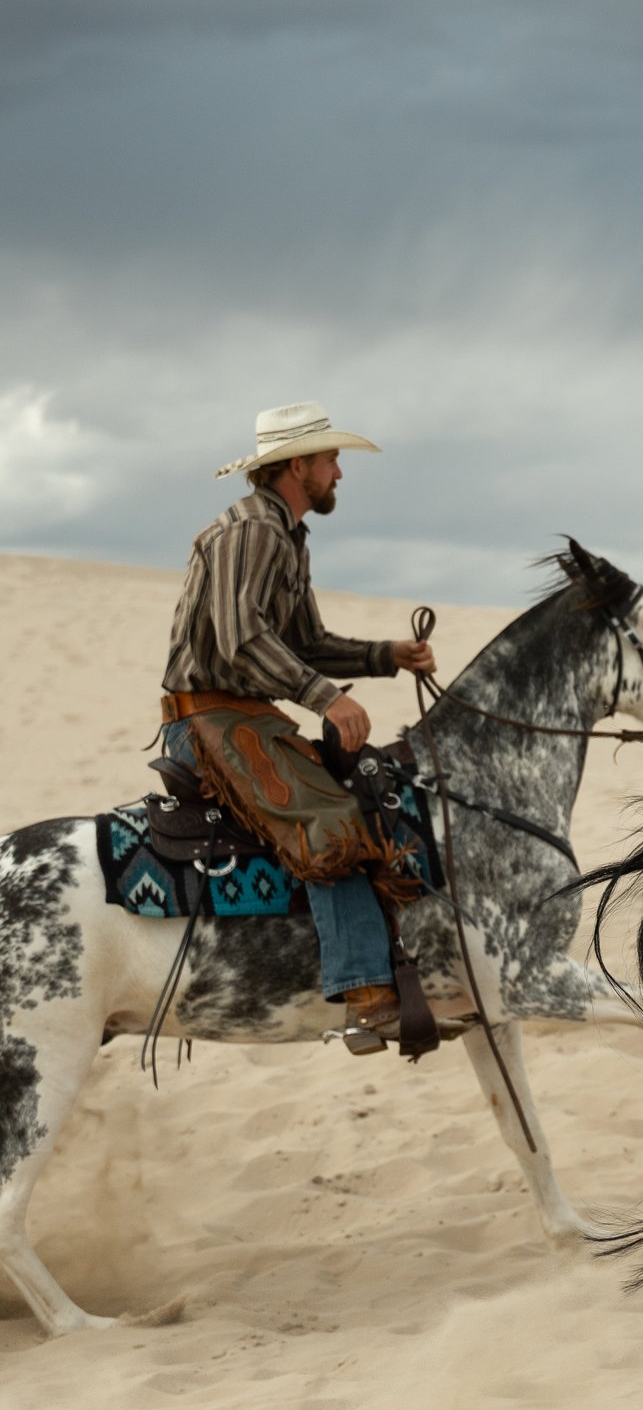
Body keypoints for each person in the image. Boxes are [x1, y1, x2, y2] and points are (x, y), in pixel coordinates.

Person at [161, 402, 445, 1049]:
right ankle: (368, 995)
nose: (339, 473)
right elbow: (240, 639)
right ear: (298, 467)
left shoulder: (287, 534)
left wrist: (385, 656)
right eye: (330, 459)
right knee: (329, 820)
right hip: (208, 716)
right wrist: (325, 699)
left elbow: (305, 641)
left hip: (247, 714)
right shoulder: (251, 532)